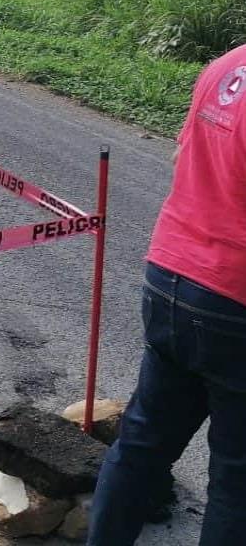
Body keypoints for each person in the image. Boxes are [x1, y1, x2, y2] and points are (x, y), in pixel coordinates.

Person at [89, 46, 246, 545]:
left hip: (171, 274)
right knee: (236, 482)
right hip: (236, 298)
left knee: (141, 445)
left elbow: (185, 157)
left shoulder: (229, 63)